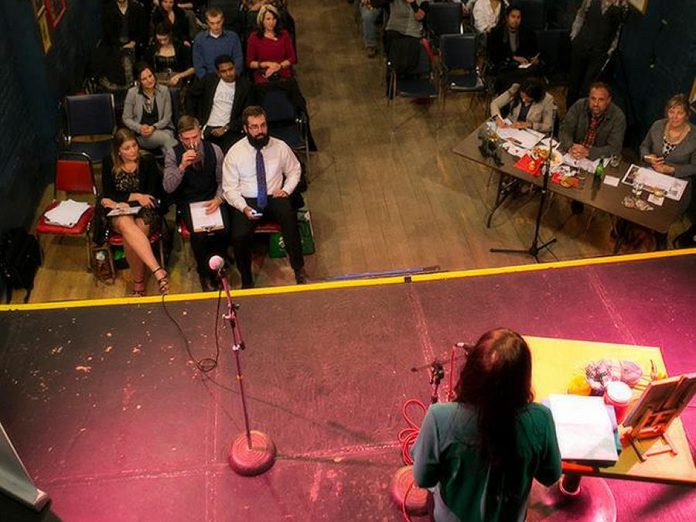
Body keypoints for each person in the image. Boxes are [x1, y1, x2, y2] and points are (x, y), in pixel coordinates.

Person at [412, 328, 562, 521]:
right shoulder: (541, 419)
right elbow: (550, 475)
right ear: (523, 378)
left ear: (471, 372)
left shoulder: (438, 418)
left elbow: (424, 479)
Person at [222, 106, 308, 288]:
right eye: (254, 127)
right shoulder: (235, 153)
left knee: (289, 218)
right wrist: (243, 207)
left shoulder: (280, 147)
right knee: (239, 236)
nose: (260, 131)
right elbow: (229, 189)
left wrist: (286, 189)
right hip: (247, 200)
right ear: (245, 129)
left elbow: (294, 170)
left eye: (262, 125)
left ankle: (298, 268)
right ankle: (246, 279)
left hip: (275, 195)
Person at [164, 116, 230, 291]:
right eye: (187, 139)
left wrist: (218, 198)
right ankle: (205, 273)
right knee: (200, 235)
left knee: (223, 229)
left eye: (194, 137)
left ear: (200, 133)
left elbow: (223, 181)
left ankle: (219, 267)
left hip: (212, 197)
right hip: (189, 201)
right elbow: (168, 187)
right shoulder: (173, 154)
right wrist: (182, 167)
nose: (191, 142)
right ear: (180, 138)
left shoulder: (214, 150)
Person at [101, 128, 169, 296]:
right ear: (118, 151)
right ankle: (158, 271)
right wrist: (135, 196)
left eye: (134, 145)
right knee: (125, 222)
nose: (133, 151)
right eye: (127, 148)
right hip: (121, 211)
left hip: (146, 210)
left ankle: (139, 284)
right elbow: (109, 194)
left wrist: (126, 199)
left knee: (134, 233)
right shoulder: (109, 162)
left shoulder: (147, 160)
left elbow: (150, 193)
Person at [640, 94, 696, 248]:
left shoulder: (695, 136)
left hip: (677, 180)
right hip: (652, 172)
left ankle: (660, 234)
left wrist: (671, 169)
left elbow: (694, 167)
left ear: (687, 115)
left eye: (680, 113)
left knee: (663, 212)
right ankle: (636, 226)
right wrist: (648, 157)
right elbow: (644, 147)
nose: (675, 116)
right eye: (671, 111)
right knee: (638, 200)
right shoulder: (658, 125)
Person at [186, 55, 253, 152]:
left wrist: (226, 128)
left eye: (231, 69)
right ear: (218, 73)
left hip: (230, 129)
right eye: (224, 71)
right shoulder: (209, 81)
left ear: (235, 67)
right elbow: (190, 95)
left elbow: (247, 114)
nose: (229, 73)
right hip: (207, 127)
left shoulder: (245, 86)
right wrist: (193, 119)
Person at [566, 0, 624, 107]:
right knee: (574, 82)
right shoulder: (590, 1)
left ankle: (582, 112)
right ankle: (569, 111)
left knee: (588, 87)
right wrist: (574, 36)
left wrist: (609, 52)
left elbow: (618, 32)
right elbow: (580, 15)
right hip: (581, 45)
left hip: (600, 53)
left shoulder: (621, 7)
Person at [559, 82, 626, 161]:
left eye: (601, 100)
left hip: (597, 159)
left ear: (608, 100)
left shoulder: (618, 117)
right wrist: (569, 147)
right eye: (593, 98)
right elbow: (565, 129)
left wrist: (589, 152)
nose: (596, 104)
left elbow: (615, 148)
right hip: (574, 152)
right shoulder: (579, 105)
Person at [122, 63, 179, 154]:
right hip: (142, 135)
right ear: (139, 81)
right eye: (144, 79)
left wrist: (154, 127)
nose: (149, 80)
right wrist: (140, 128)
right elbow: (126, 118)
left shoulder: (164, 90)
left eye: (150, 76)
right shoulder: (132, 93)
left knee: (166, 145)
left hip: (164, 129)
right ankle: (180, 160)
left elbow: (167, 117)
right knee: (168, 140)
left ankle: (169, 166)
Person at [487, 5, 540, 93]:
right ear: (507, 17)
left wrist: (534, 59)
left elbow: (534, 51)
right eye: (513, 17)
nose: (515, 20)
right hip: (505, 67)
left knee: (534, 74)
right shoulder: (496, 33)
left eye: (518, 17)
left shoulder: (528, 32)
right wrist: (513, 58)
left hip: (524, 67)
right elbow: (493, 55)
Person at [99, 0, 150, 86]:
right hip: (114, 46)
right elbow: (107, 33)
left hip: (135, 44)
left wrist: (134, 42)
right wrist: (122, 45)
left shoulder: (137, 8)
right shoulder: (108, 9)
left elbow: (143, 30)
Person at [246, 4, 297, 84]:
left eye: (274, 19)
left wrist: (278, 66)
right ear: (262, 20)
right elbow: (250, 63)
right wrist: (267, 64)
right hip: (263, 74)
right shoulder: (254, 37)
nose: (271, 22)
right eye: (268, 19)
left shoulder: (284, 34)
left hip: (283, 72)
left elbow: (292, 58)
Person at [192, 6, 244, 78]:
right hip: (208, 81)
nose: (216, 26)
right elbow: (198, 66)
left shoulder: (233, 37)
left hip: (230, 78)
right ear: (207, 22)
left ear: (222, 20)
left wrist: (233, 77)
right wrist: (207, 82)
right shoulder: (199, 39)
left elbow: (238, 60)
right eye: (212, 23)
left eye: (218, 22)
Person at [490, 78, 556, 133]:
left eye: (528, 99)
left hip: (530, 134)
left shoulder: (547, 99)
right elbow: (495, 103)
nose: (523, 100)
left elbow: (548, 126)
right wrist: (497, 117)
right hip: (511, 128)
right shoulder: (515, 88)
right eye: (522, 97)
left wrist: (529, 124)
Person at [147, 23, 195, 87]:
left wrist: (179, 76)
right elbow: (145, 67)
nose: (162, 42)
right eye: (159, 40)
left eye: (165, 39)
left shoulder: (181, 48)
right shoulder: (152, 49)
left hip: (178, 83)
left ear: (170, 35)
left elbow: (193, 68)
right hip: (158, 84)